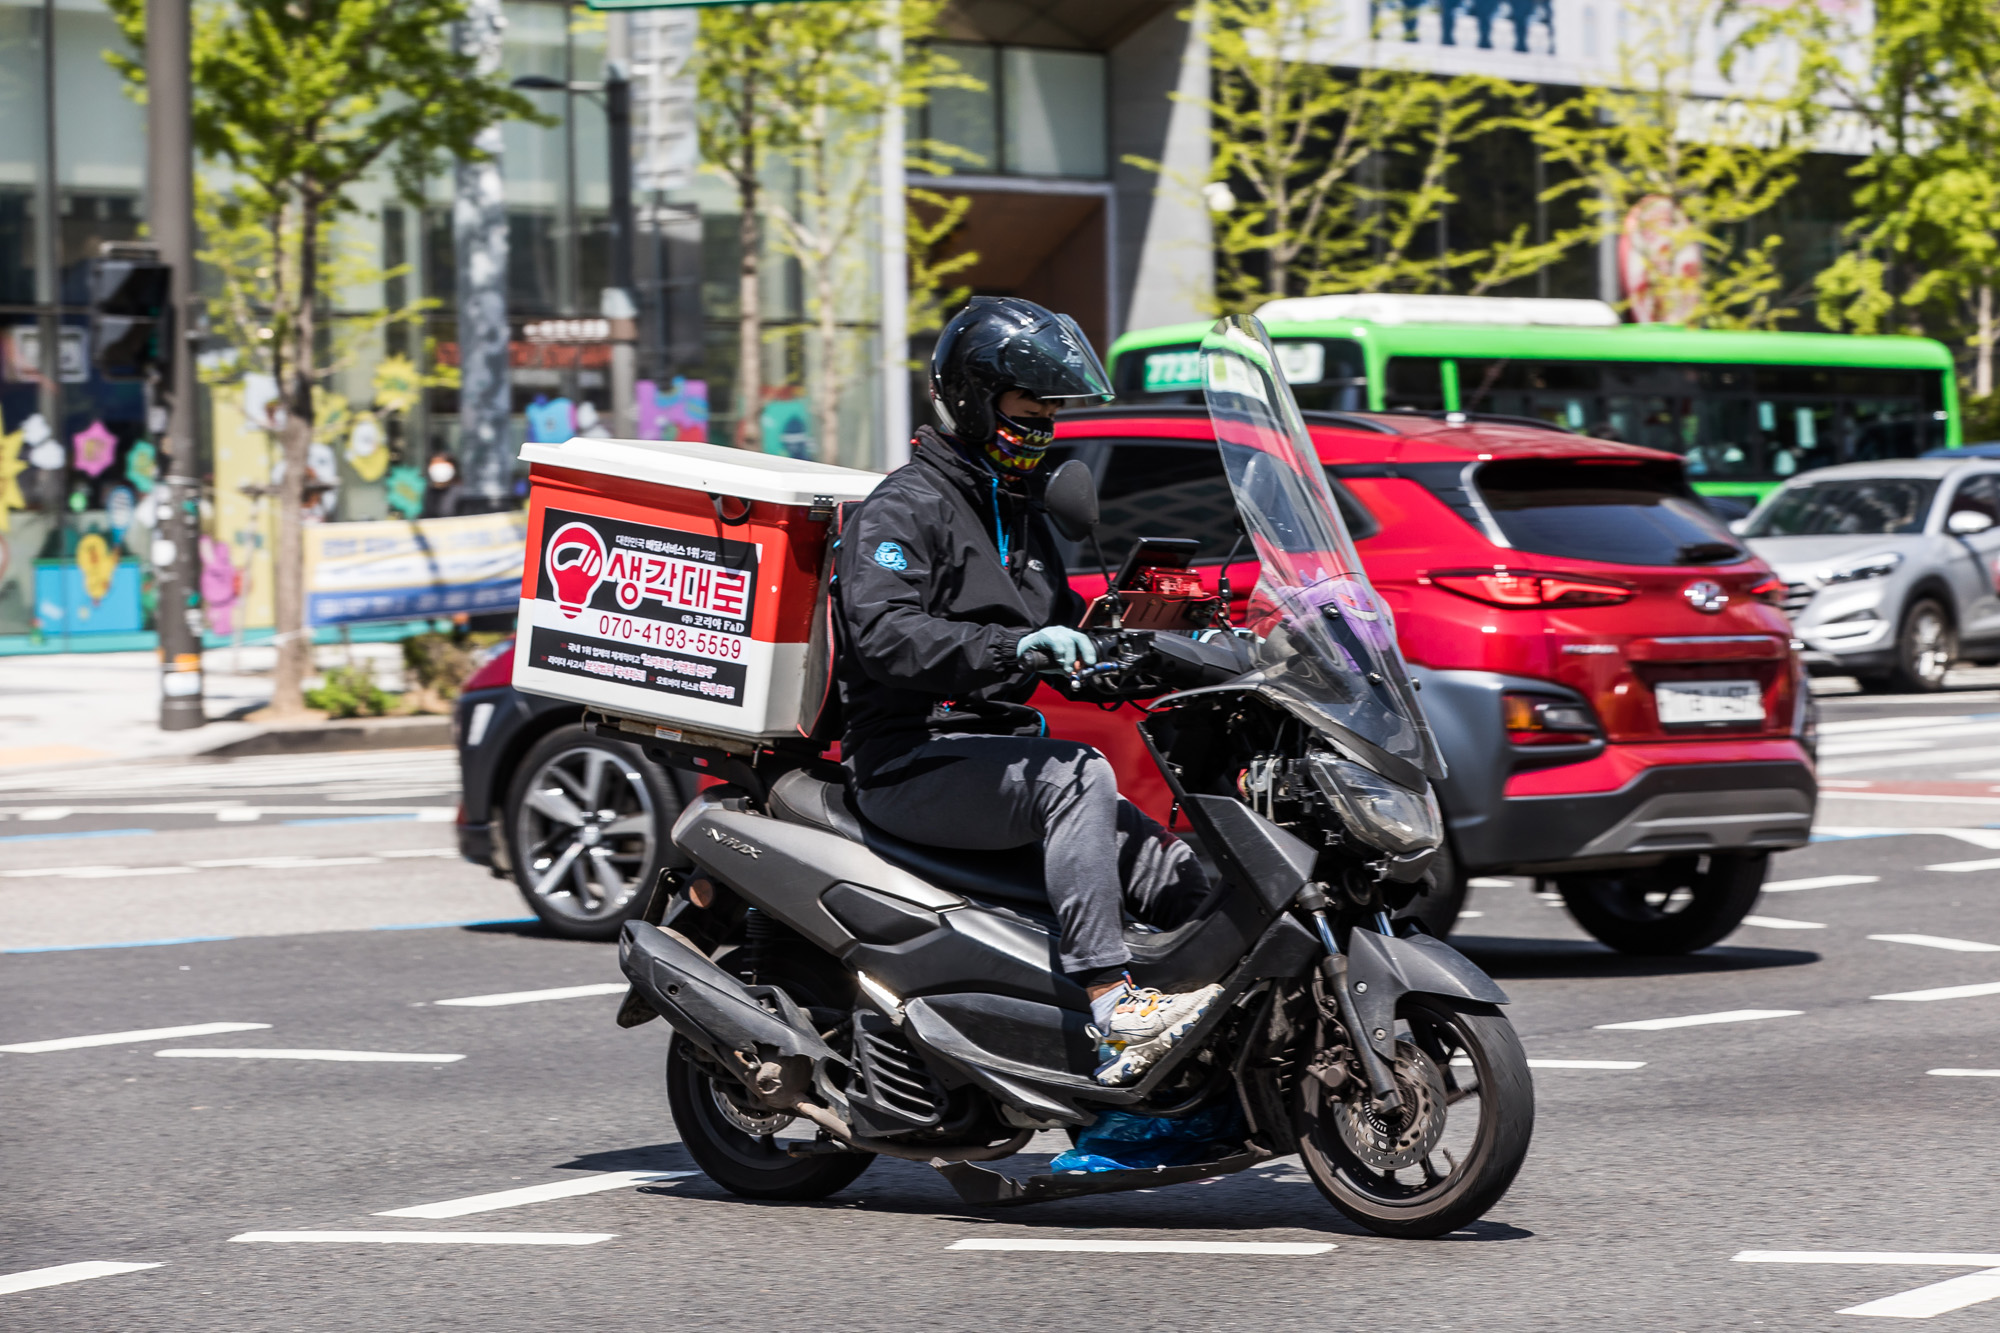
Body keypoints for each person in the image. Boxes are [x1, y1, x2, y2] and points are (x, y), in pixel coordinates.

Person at [831, 296, 1221, 1087]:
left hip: (1002, 760)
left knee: (1179, 876)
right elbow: (885, 636)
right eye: (1027, 405)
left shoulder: (1021, 510)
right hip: (912, 756)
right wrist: (1017, 646)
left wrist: (1184, 642)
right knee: (1080, 775)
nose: (1043, 422)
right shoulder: (905, 508)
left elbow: (1069, 628)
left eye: (1052, 408)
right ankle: (1113, 1004)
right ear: (975, 399)